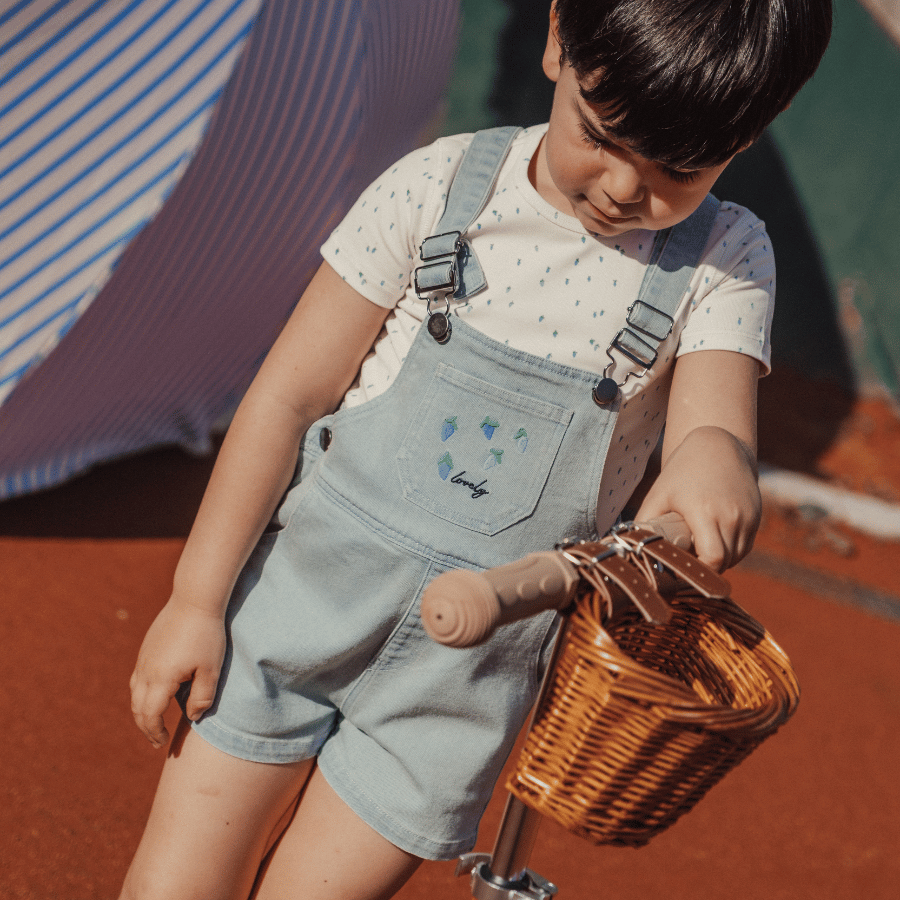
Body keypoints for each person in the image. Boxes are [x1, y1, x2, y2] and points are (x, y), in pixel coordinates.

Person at [121, 2, 833, 897]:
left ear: (756, 129)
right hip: (291, 612)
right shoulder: (438, 184)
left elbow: (711, 433)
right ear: (557, 38)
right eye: (602, 134)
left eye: (679, 168)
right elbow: (287, 398)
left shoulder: (726, 258)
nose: (624, 187)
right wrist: (195, 600)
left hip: (460, 689)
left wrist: (717, 457)